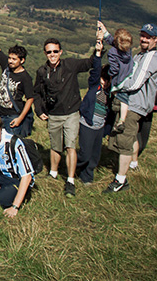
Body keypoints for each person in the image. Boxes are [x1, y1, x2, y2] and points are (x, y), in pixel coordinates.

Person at [33, 37, 93, 198]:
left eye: (55, 51)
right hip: (53, 114)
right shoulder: (41, 72)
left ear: (60, 52)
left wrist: (99, 49)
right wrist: (39, 110)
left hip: (71, 112)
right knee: (55, 145)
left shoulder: (70, 65)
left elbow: (89, 63)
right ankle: (53, 172)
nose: (52, 54)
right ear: (45, 53)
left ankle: (70, 180)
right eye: (49, 52)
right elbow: (36, 93)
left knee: (70, 146)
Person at [104, 24, 157, 193]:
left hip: (134, 105)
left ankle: (121, 180)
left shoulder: (150, 58)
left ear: (155, 39)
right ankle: (134, 164)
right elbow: (121, 49)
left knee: (125, 140)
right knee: (131, 135)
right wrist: (107, 35)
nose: (144, 39)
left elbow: (135, 82)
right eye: (142, 35)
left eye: (148, 37)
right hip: (132, 103)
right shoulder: (141, 54)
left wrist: (116, 86)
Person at [75, 36, 110, 185]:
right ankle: (74, 166)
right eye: (103, 78)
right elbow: (95, 70)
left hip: (99, 127)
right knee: (84, 153)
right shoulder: (95, 86)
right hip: (87, 124)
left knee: (95, 155)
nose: (104, 82)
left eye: (107, 80)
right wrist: (98, 53)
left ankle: (87, 177)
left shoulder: (111, 93)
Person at [98, 22, 133, 134]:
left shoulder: (113, 52)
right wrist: (105, 32)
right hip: (128, 77)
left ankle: (118, 122)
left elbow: (114, 69)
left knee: (118, 100)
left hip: (118, 80)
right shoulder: (128, 50)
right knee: (125, 101)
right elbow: (115, 44)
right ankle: (120, 120)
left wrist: (109, 74)